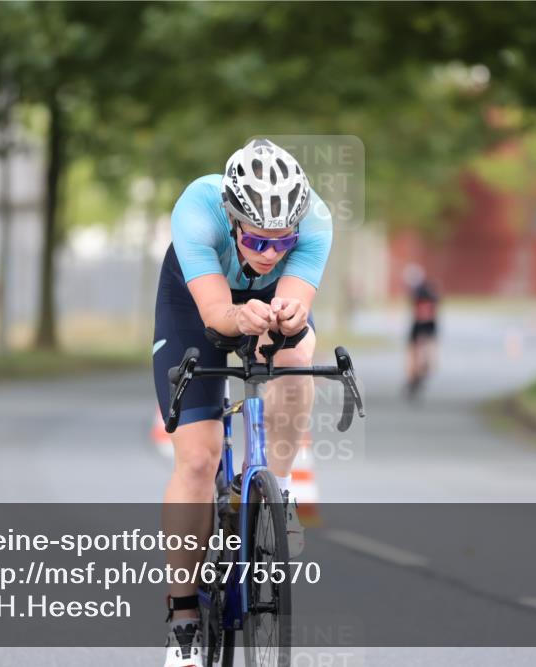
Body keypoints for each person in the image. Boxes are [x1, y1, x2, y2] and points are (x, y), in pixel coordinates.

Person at [153, 139, 332, 666]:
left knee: (299, 361)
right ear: (232, 218)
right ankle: (183, 615)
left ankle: (275, 491)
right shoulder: (197, 208)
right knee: (199, 456)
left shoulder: (317, 220)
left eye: (284, 242)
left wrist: (289, 322)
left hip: (268, 304)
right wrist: (240, 317)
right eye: (257, 239)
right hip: (195, 302)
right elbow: (214, 314)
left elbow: (296, 309)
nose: (270, 252)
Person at [404, 264, 440, 399]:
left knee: (420, 354)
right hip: (424, 326)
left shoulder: (420, 293)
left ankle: (418, 374)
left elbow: (424, 314)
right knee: (419, 354)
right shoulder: (427, 293)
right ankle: (417, 375)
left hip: (424, 326)